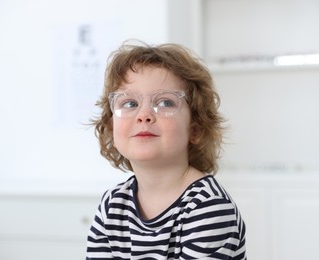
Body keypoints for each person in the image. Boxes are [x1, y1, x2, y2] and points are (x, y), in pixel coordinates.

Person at [86, 40, 247, 260]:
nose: (144, 114)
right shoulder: (112, 205)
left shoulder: (207, 207)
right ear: (111, 126)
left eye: (164, 103)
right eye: (130, 103)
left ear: (195, 129)